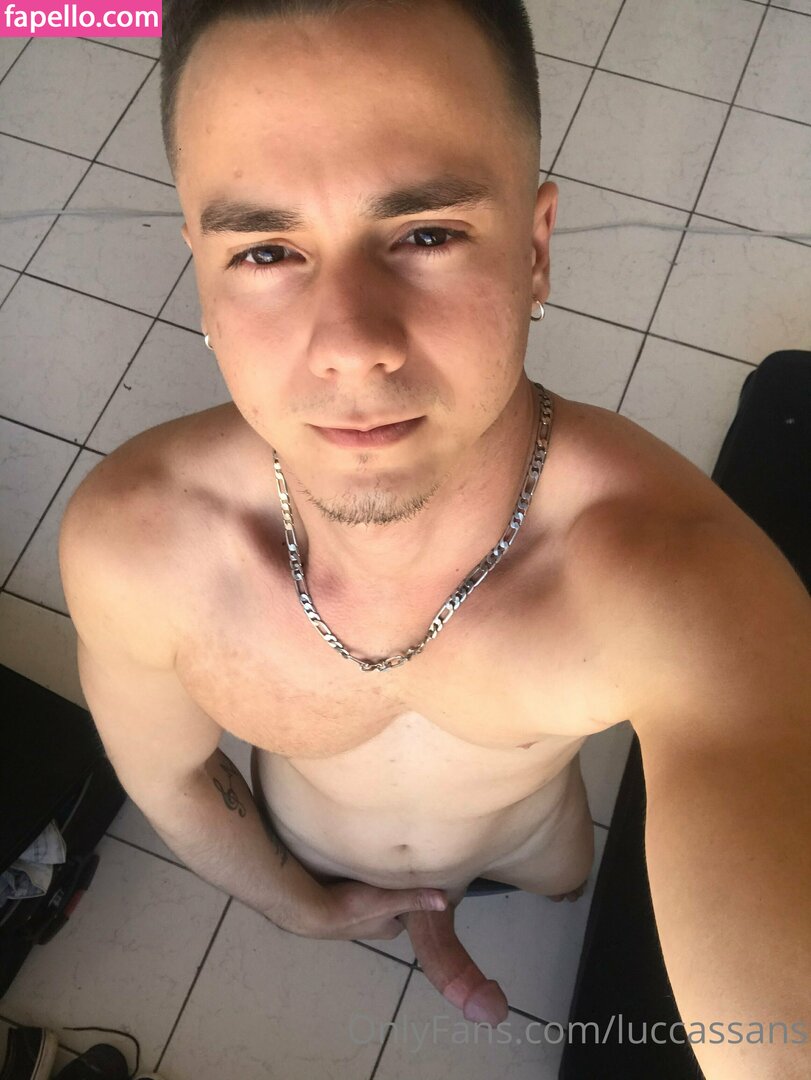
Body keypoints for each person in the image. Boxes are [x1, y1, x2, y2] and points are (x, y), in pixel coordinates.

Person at [59, 1, 810, 1073]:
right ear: (201, 277)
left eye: (425, 234)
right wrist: (294, 904)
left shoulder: (682, 578)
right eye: (266, 250)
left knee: (563, 884)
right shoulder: (137, 551)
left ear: (535, 251)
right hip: (310, 837)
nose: (352, 346)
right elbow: (173, 779)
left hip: (537, 841)